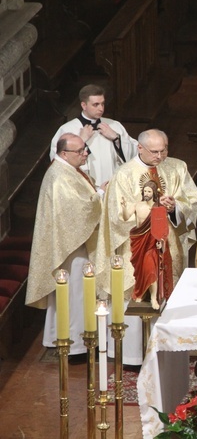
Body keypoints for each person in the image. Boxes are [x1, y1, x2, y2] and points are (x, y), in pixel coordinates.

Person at [96, 129, 197, 365]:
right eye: (154, 151)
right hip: (136, 248)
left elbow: (192, 199)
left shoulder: (177, 167)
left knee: (166, 295)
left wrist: (174, 208)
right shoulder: (124, 175)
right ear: (139, 148)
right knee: (137, 295)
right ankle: (133, 357)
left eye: (164, 149)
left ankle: (166, 354)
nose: (160, 155)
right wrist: (147, 211)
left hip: (168, 247)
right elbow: (116, 216)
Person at [26, 133, 102, 362]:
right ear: (64, 153)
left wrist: (97, 190)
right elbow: (76, 210)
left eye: (85, 149)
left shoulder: (67, 169)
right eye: (80, 151)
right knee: (75, 294)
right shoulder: (58, 176)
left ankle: (71, 340)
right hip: (70, 248)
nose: (85, 153)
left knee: (75, 294)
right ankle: (75, 345)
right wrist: (100, 195)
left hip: (73, 244)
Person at [50, 84, 138, 187]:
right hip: (84, 189)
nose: (101, 109)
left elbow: (137, 152)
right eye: (96, 104)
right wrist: (81, 140)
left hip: (113, 186)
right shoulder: (67, 130)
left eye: (102, 104)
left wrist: (116, 138)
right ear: (84, 105)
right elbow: (57, 164)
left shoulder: (114, 126)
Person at [121, 180, 173, 310]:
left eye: (149, 191)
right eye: (145, 191)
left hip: (151, 244)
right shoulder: (137, 205)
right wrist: (123, 207)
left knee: (150, 271)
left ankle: (153, 298)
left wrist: (161, 242)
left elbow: (162, 228)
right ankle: (141, 293)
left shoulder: (157, 208)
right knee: (140, 271)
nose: (147, 193)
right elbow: (126, 217)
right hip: (139, 242)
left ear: (154, 192)